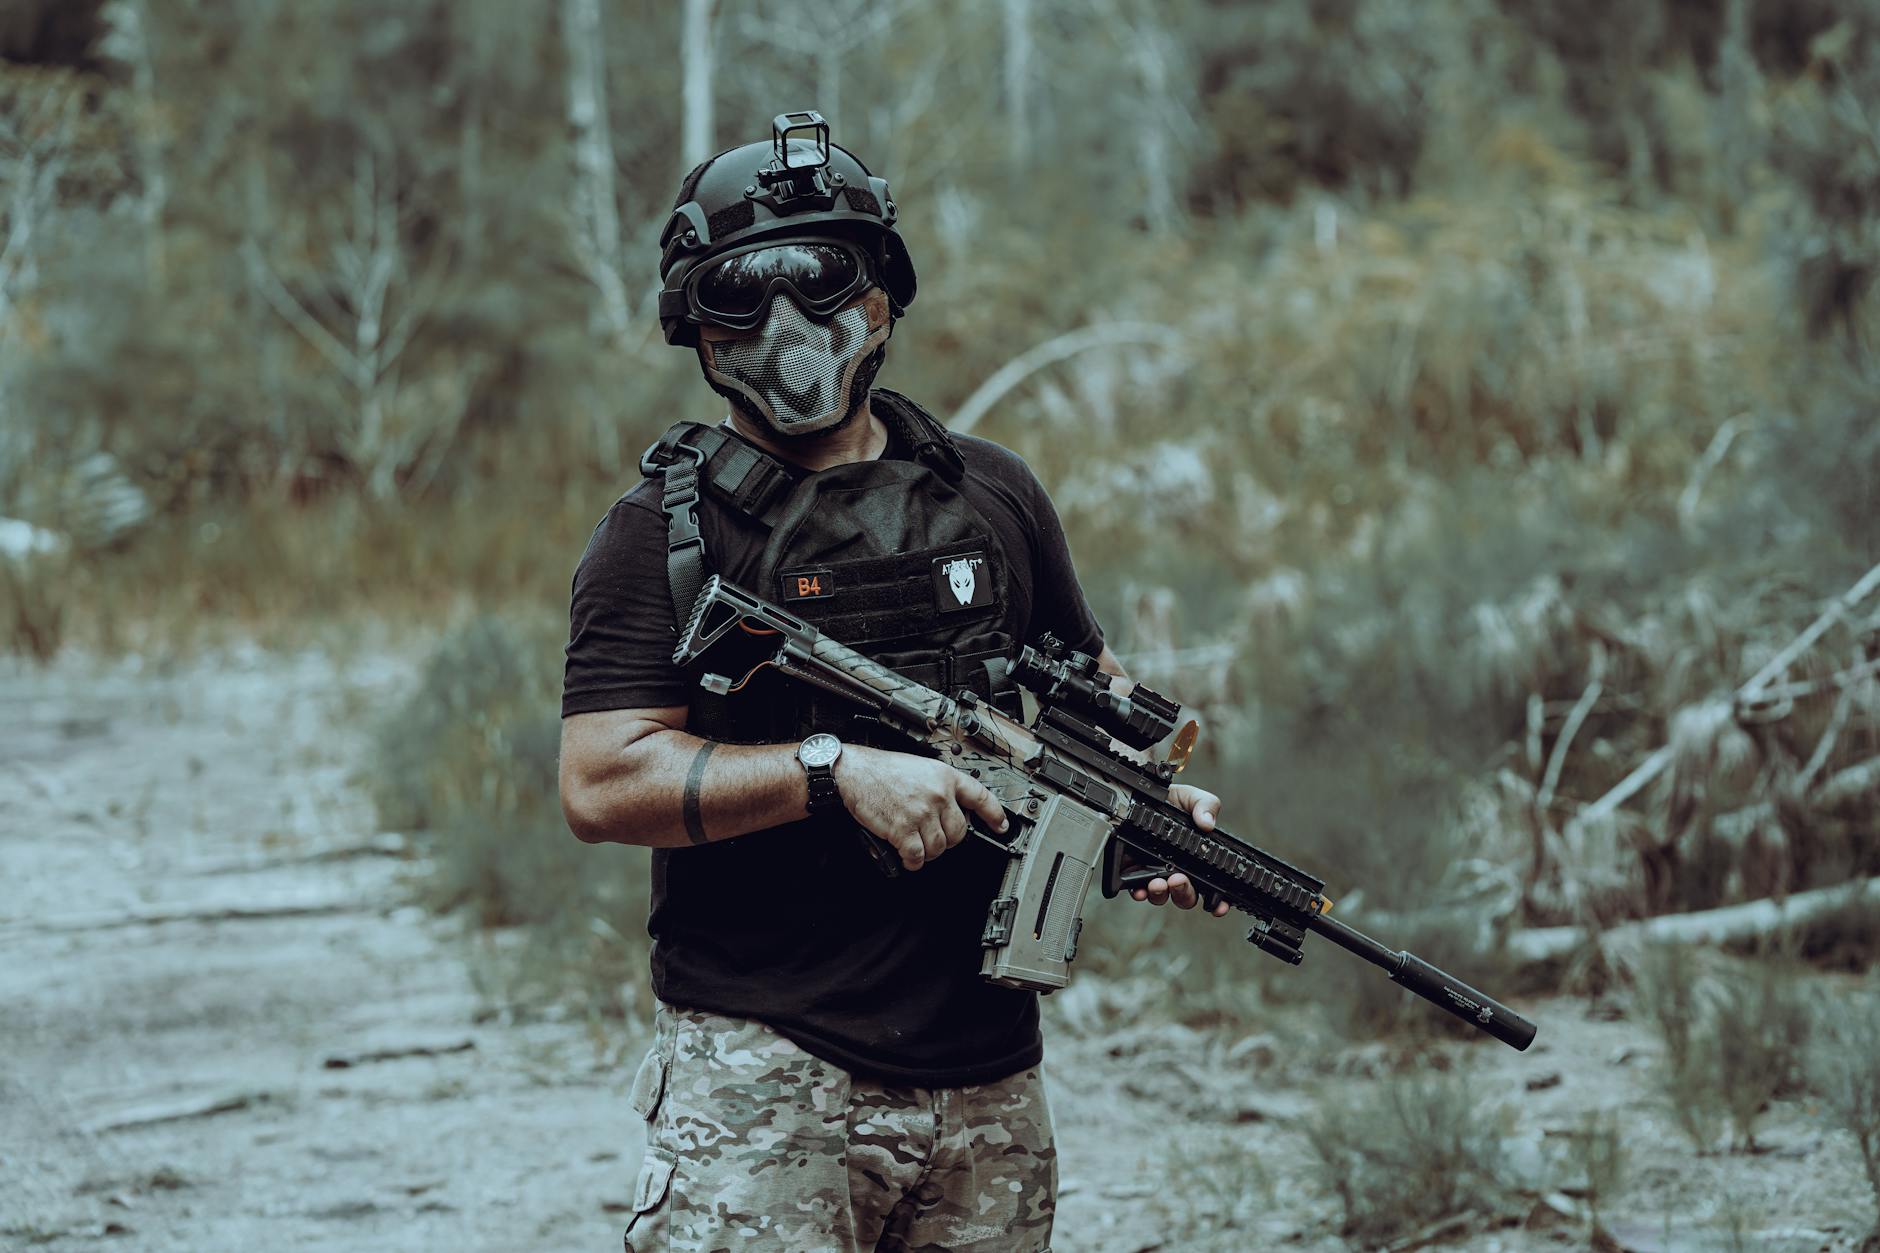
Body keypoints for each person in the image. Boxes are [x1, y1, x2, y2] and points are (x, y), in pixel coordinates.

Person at [558, 112, 1228, 1253]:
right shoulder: (661, 534)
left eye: (819, 279)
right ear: (693, 323)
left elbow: (1082, 688)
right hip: (763, 1074)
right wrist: (829, 771)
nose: (787, 327)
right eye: (740, 294)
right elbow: (599, 780)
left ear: (879, 291)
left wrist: (1148, 817)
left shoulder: (990, 493)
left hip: (987, 1077)